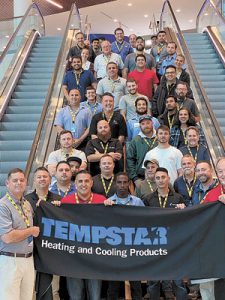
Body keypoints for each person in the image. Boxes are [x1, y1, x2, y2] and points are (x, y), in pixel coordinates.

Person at [61, 170, 106, 300]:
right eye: (80, 181)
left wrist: (111, 208)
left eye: (86, 181)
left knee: (95, 296)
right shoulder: (66, 201)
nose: (83, 184)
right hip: (73, 258)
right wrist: (54, 208)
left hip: (94, 257)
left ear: (91, 183)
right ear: (75, 184)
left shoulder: (102, 200)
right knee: (75, 297)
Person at [144, 167, 187, 300]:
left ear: (168, 178)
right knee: (153, 282)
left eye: (163, 177)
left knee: (178, 281)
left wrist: (183, 210)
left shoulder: (178, 198)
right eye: (158, 178)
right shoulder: (148, 199)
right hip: (155, 244)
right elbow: (143, 220)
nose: (161, 180)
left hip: (175, 243)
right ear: (154, 180)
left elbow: (186, 219)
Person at [0, 168, 40, 300]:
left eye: (21, 180)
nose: (18, 183)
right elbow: (7, 237)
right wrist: (31, 231)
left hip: (28, 259)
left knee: (27, 297)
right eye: (15, 180)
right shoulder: (3, 206)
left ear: (26, 182)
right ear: (7, 183)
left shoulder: (26, 204)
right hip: (10, 260)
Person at [104, 172, 144, 300]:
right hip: (114, 248)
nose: (122, 185)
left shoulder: (137, 202)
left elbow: (145, 222)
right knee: (113, 285)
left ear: (129, 184)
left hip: (133, 247)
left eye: (125, 182)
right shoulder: (108, 202)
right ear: (115, 184)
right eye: (119, 182)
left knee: (136, 285)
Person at [25, 167, 61, 300]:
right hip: (32, 250)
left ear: (50, 179)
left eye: (45, 177)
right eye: (39, 177)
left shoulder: (58, 199)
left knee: (53, 289)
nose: (42, 179)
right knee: (31, 289)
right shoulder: (26, 200)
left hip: (52, 250)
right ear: (34, 180)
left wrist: (58, 209)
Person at [127, 115, 158, 188]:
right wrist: (135, 178)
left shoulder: (159, 138)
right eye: (143, 124)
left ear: (152, 123)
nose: (145, 126)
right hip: (141, 178)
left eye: (148, 123)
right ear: (140, 126)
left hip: (159, 177)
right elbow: (130, 160)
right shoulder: (135, 140)